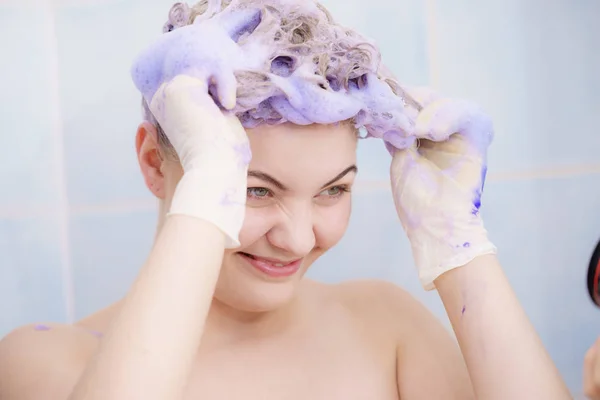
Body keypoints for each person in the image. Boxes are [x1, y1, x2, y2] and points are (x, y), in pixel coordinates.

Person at [0, 1, 571, 399]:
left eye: (333, 190)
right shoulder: (48, 363)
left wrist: (459, 244)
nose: (297, 239)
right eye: (254, 189)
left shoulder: (386, 327)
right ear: (156, 163)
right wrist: (205, 197)